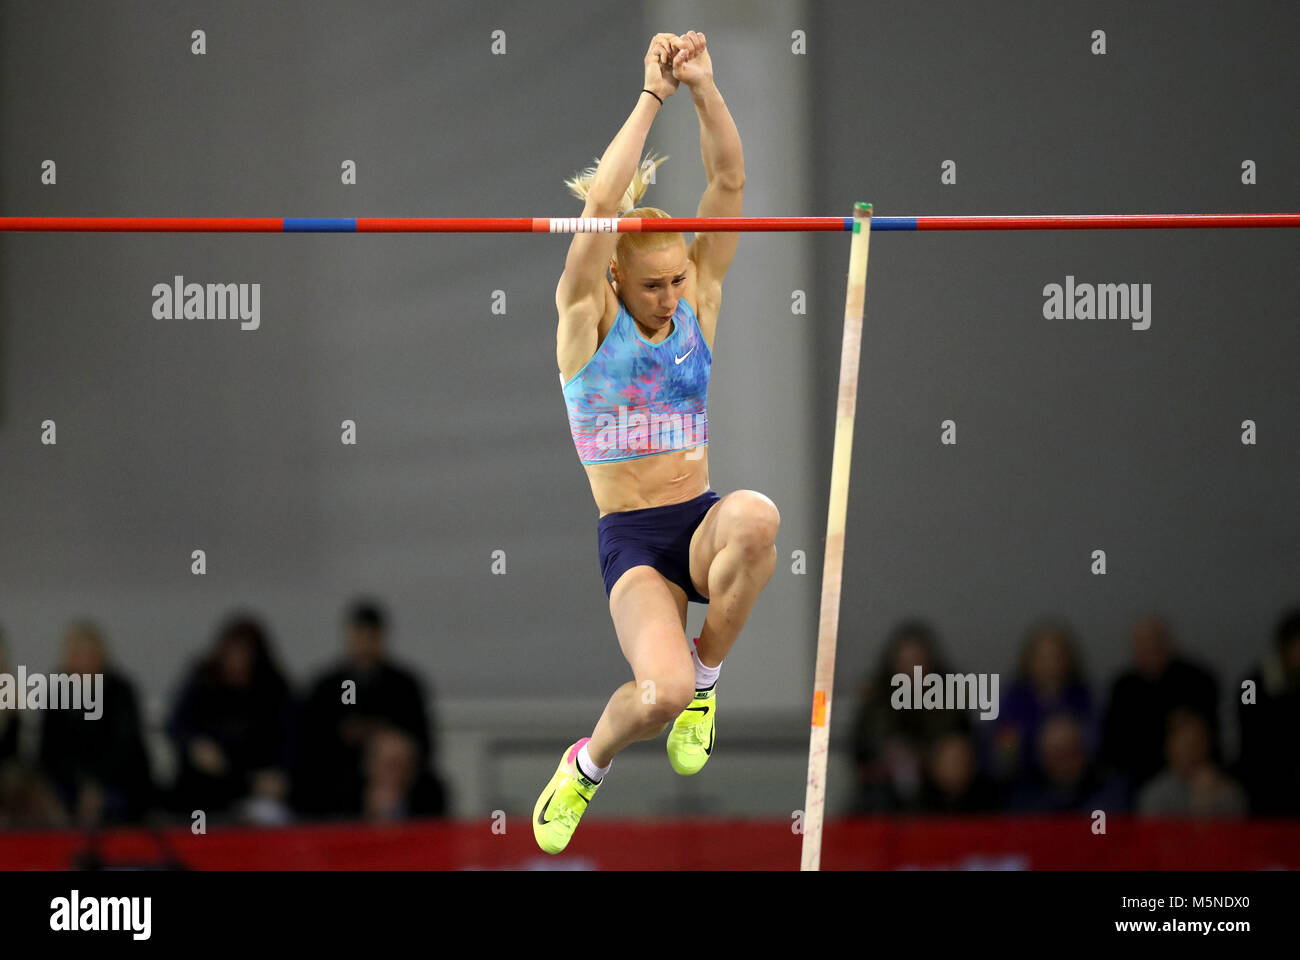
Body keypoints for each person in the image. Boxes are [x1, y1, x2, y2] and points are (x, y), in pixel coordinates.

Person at [535, 30, 778, 854]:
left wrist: (704, 88)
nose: (672, 295)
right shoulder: (586, 322)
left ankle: (708, 675)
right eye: (653, 284)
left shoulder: (696, 296)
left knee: (757, 517)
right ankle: (586, 765)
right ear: (613, 281)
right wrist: (651, 97)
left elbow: (730, 180)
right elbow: (599, 214)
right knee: (655, 699)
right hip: (633, 541)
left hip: (697, 519)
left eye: (679, 278)